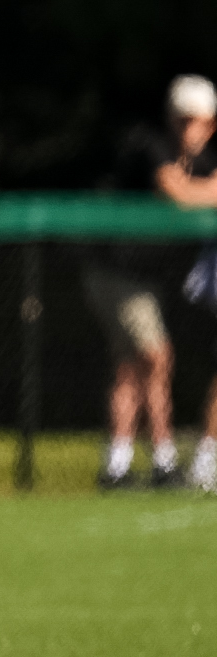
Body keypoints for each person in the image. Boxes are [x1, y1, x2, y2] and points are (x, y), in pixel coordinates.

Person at [86, 75, 217, 489]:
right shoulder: (150, 146)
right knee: (157, 357)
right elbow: (175, 192)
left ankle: (117, 465)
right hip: (116, 272)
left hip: (146, 279)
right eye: (183, 120)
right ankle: (162, 460)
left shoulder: (204, 160)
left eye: (198, 121)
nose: (189, 129)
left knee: (129, 368)